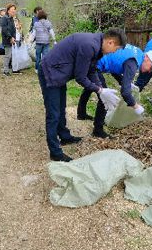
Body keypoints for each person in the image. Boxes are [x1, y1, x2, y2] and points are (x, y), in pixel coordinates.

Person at [39, 29, 126, 161]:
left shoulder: (97, 46)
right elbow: (81, 77)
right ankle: (55, 152)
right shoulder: (89, 45)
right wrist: (99, 90)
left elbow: (91, 70)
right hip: (50, 72)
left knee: (61, 108)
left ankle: (64, 136)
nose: (115, 52)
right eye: (116, 49)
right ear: (110, 42)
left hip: (59, 72)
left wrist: (101, 89)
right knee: (53, 114)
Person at [77, 45, 152, 138]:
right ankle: (98, 130)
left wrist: (124, 82)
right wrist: (136, 106)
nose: (149, 71)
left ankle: (81, 114)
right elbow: (125, 92)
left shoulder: (137, 53)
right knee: (105, 97)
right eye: (150, 68)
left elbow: (115, 66)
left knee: (92, 86)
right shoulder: (133, 63)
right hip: (94, 64)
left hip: (91, 58)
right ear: (147, 58)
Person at [0, 4, 17, 75]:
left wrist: (14, 38)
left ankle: (8, 68)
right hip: (7, 39)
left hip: (11, 39)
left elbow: (13, 29)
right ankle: (5, 70)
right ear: (8, 10)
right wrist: (10, 37)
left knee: (10, 55)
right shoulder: (4, 18)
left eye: (15, 10)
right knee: (7, 55)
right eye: (13, 10)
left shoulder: (11, 19)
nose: (14, 11)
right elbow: (5, 29)